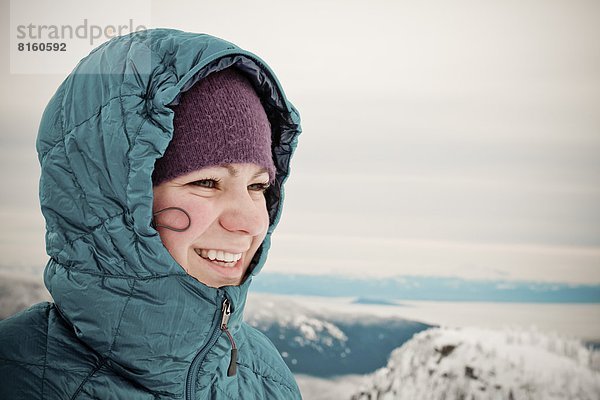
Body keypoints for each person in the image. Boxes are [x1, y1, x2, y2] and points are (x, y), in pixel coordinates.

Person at [0, 28, 302, 399]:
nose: (250, 222)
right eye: (206, 183)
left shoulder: (268, 379)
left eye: (258, 187)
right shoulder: (15, 377)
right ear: (116, 201)